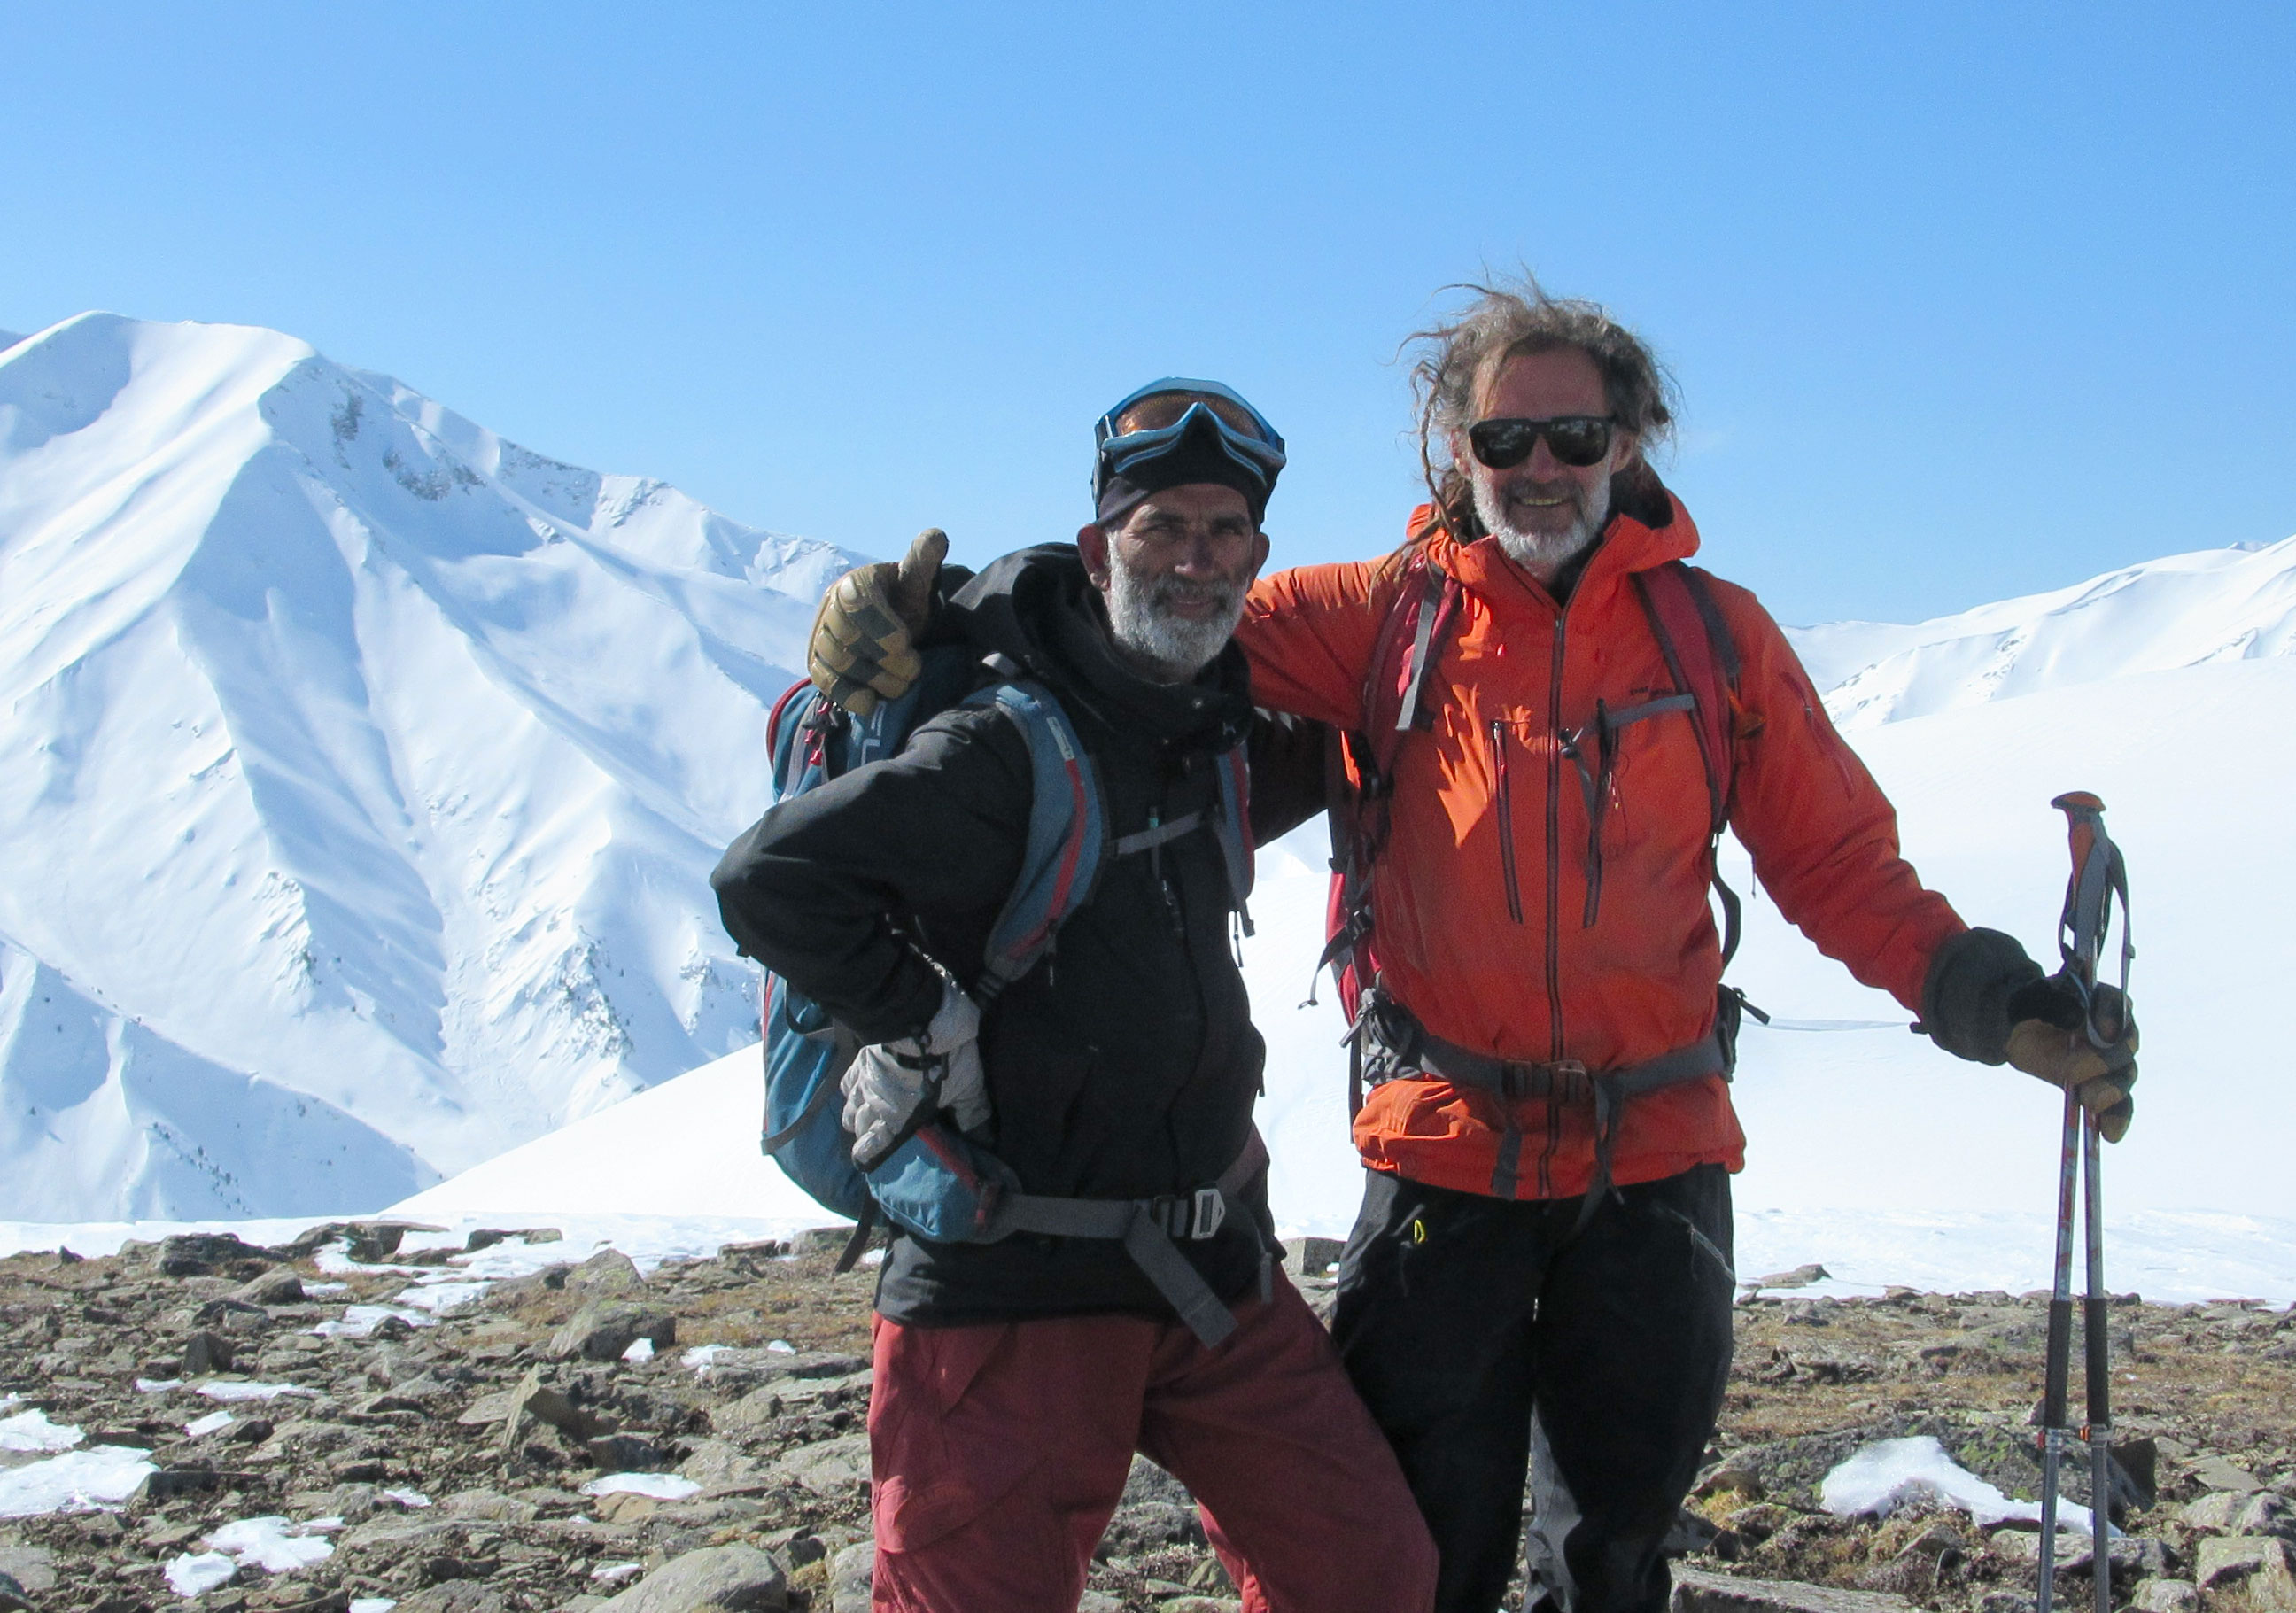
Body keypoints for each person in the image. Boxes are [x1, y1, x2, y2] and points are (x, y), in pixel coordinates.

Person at [806, 284, 2135, 1613]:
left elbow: (1841, 866)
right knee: (1422, 1558)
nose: (1539, 469)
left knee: (1613, 1553)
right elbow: (1143, 614)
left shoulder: (1714, 636)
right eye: (1505, 442)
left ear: (1629, 442)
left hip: (1657, 1163)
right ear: (1457, 453)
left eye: (1573, 437)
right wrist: (936, 615)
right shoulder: (1384, 615)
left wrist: (1995, 1002)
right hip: (1446, 1156)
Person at [713, 379, 1438, 1613]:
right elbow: (771, 877)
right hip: (1007, 1284)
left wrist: (1476, 517)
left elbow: (1374, 719)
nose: (1195, 561)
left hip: (1205, 1265)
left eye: (1224, 534)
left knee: (1368, 1573)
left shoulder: (1207, 723)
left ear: (1257, 558)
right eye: (1164, 528)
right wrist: (919, 1014)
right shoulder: (1004, 747)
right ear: (1102, 547)